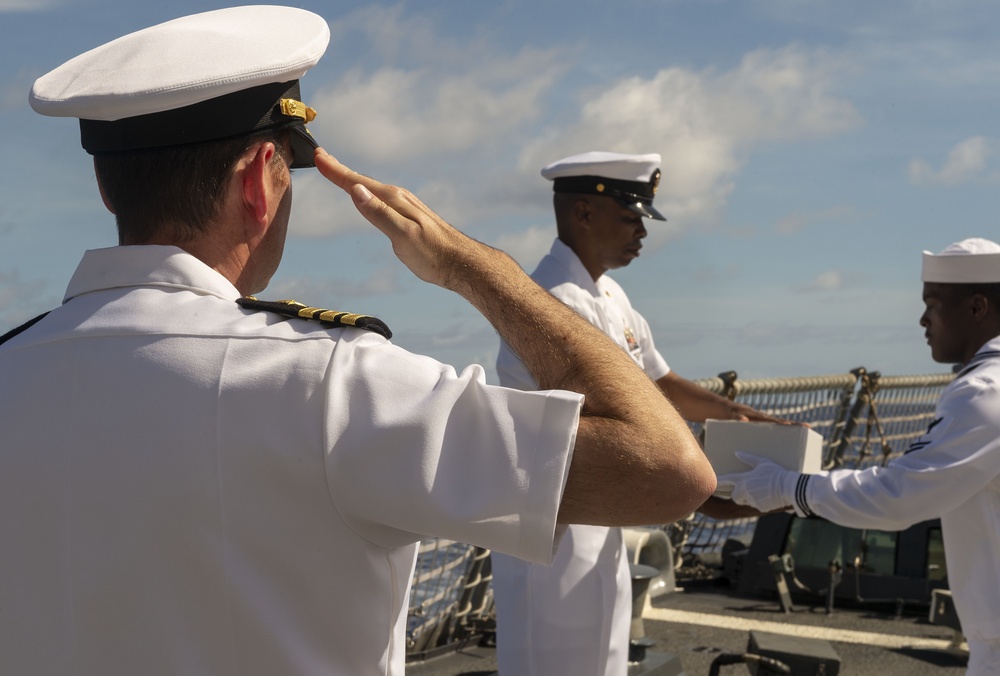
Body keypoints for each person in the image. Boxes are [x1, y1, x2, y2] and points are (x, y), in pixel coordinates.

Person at [0, 8, 718, 676]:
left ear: (106, 186)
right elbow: (667, 469)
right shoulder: (332, 383)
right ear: (259, 182)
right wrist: (483, 270)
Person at [492, 151, 786, 676]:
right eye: (630, 219)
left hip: (603, 510)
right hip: (554, 515)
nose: (641, 234)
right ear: (583, 213)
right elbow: (612, 412)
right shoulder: (552, 301)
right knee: (554, 659)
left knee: (603, 656)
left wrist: (740, 415)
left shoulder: (607, 294)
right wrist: (693, 471)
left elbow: (658, 381)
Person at [717, 237, 1000, 676]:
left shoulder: (985, 392)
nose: (923, 318)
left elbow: (898, 497)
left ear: (977, 308)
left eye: (934, 303)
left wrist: (786, 487)